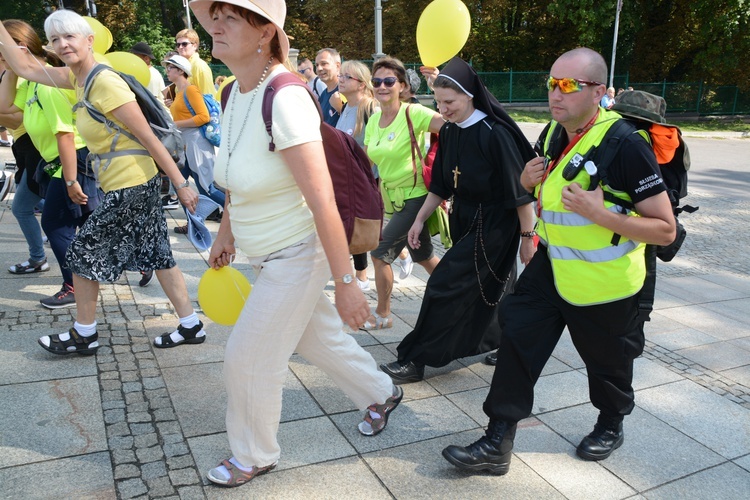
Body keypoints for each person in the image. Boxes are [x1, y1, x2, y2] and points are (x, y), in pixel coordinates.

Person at [189, 0, 402, 488]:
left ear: (265, 32)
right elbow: (236, 175)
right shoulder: (233, 90)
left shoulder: (284, 95)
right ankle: (382, 391)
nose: (215, 26)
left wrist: (347, 281)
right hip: (266, 253)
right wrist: (226, 232)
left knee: (247, 357)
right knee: (319, 340)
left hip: (298, 254)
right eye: (214, 15)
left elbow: (323, 200)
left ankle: (254, 454)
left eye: (230, 17)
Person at [442, 47, 676, 474]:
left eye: (569, 85)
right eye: (552, 83)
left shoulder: (624, 144)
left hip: (605, 282)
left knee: (608, 365)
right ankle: (497, 440)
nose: (556, 92)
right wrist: (526, 182)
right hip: (550, 268)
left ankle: (610, 422)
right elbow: (541, 190)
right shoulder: (553, 133)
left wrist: (600, 214)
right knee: (517, 344)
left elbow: (666, 229)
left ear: (599, 92)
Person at [0, 10, 205, 353]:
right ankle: (191, 325)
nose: (62, 44)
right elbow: (26, 68)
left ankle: (85, 333)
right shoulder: (77, 79)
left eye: (70, 37)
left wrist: (182, 183)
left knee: (81, 253)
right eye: (55, 39)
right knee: (157, 253)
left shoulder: (103, 81)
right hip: (131, 182)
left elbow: (148, 138)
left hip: (133, 183)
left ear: (89, 40)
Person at [379, 57, 536, 383]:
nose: (444, 109)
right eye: (439, 102)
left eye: (449, 102)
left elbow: (520, 193)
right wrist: (419, 220)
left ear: (470, 96)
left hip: (495, 224)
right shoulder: (450, 132)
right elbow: (440, 184)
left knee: (443, 285)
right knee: (496, 285)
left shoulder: (496, 135)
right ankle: (505, 340)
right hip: (464, 217)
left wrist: (527, 238)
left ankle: (416, 358)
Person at [0, 19, 101, 309]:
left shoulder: (47, 85)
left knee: (55, 224)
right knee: (90, 222)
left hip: (72, 159)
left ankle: (72, 286)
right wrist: (11, 66)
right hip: (59, 161)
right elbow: (4, 107)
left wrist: (70, 180)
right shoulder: (32, 79)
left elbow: (65, 135)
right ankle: (139, 260)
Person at [362, 56, 444, 329]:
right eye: (377, 81)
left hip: (416, 197)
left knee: (379, 254)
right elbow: (367, 160)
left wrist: (438, 86)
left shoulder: (413, 113)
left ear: (402, 86)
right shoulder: (374, 120)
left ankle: (383, 315)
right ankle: (458, 292)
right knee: (423, 256)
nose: (382, 86)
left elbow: (452, 126)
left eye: (388, 81)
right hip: (390, 198)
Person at [162, 53, 225, 235]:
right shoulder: (180, 92)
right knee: (180, 184)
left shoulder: (190, 90)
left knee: (208, 187)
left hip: (196, 142)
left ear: (181, 71)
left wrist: (175, 124)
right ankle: (194, 223)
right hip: (186, 143)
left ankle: (237, 214)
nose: (167, 71)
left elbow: (203, 117)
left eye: (170, 68)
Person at [1, 57, 47, 275]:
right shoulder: (10, 76)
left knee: (21, 208)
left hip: (35, 148)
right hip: (26, 148)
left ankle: (38, 258)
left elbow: (18, 120)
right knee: (51, 204)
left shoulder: (19, 78)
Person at [335, 59, 378, 291]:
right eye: (340, 75)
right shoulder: (346, 107)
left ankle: (362, 276)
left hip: (364, 178)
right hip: (346, 177)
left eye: (346, 77)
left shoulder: (369, 107)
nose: (340, 79)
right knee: (350, 225)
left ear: (361, 84)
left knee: (360, 226)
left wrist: (364, 172)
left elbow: (375, 145)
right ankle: (353, 272)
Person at [174, 28, 215, 97]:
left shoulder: (199, 66)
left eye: (184, 44)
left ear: (195, 46)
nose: (180, 47)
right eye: (178, 45)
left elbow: (208, 98)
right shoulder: (183, 67)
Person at [314, 47, 342, 126]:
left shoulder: (345, 92)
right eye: (316, 65)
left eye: (324, 63)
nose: (319, 68)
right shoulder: (323, 95)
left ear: (337, 66)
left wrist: (340, 109)